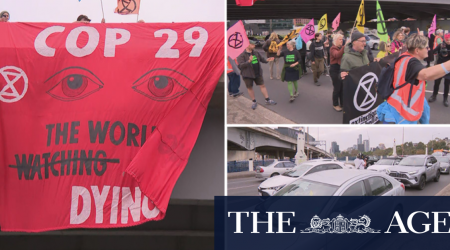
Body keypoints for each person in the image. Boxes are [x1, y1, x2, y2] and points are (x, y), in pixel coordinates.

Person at [377, 34, 450, 124]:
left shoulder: (404, 57)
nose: (428, 49)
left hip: (397, 107)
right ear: (417, 50)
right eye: (426, 47)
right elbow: (426, 74)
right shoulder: (411, 62)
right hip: (401, 114)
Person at [237, 40, 277, 110]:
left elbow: (262, 60)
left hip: (258, 73)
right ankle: (254, 101)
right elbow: (240, 66)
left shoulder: (255, 52)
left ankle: (267, 100)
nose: (254, 46)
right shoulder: (241, 54)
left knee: (262, 85)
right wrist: (249, 61)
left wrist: (268, 60)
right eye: (253, 45)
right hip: (247, 74)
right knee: (250, 87)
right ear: (248, 45)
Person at [428, 34, 450, 107]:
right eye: (447, 40)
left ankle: (445, 98)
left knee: (447, 84)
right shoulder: (441, 45)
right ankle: (434, 96)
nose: (448, 41)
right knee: (437, 82)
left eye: (449, 40)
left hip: (448, 68)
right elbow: (433, 51)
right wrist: (438, 53)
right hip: (440, 66)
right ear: (445, 39)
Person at [330, 33, 349, 112]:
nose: (342, 41)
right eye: (340, 39)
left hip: (341, 69)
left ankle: (342, 103)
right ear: (335, 40)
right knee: (337, 88)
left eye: (342, 39)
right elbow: (337, 55)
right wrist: (345, 46)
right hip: (335, 70)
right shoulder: (332, 48)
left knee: (342, 87)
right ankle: (335, 104)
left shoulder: (340, 47)